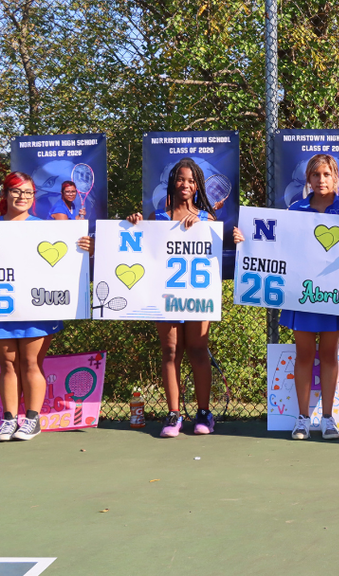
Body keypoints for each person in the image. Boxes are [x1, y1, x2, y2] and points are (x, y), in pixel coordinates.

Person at [0, 171, 93, 442]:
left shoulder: (49, 228)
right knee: (7, 365)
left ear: (34, 197)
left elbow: (71, 260)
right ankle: (9, 420)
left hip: (37, 308)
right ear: (5, 195)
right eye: (16, 191)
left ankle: (32, 420)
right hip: (0, 308)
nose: (22, 197)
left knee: (31, 362)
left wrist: (86, 248)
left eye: (28, 193)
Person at [232, 154, 339, 441]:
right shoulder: (296, 209)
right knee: (304, 355)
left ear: (336, 177)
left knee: (329, 356)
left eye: (327, 175)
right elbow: (276, 247)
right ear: (308, 179)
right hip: (301, 295)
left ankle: (328, 418)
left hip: (332, 296)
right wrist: (246, 242)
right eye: (316, 175)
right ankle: (303, 418)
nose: (321, 180)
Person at [126, 158, 219, 438]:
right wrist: (134, 225)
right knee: (170, 352)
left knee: (198, 351)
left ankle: (204, 413)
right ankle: (174, 414)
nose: (186, 185)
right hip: (163, 294)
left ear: (198, 185)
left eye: (191, 180)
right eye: (181, 179)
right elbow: (142, 251)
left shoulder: (206, 219)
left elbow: (218, 251)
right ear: (172, 182)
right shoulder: (158, 218)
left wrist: (205, 227)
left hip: (196, 296)